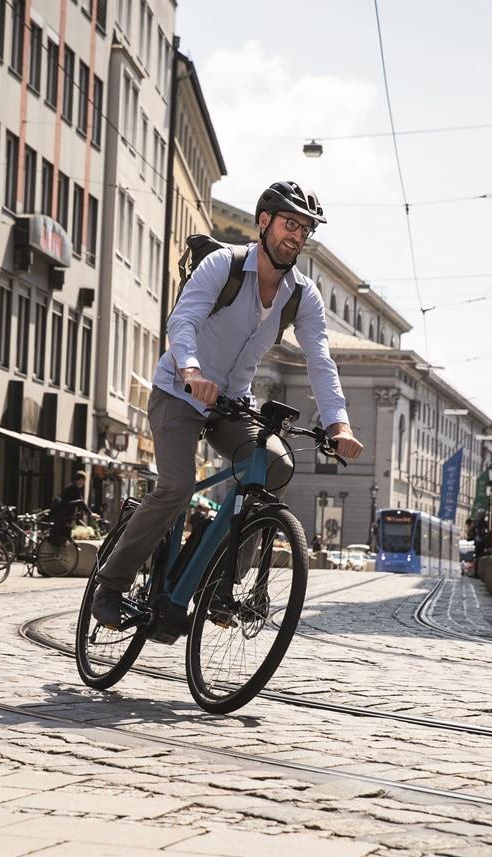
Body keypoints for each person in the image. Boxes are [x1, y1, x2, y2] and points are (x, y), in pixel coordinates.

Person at [91, 180, 364, 625]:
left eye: (305, 229)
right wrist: (192, 371)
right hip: (179, 392)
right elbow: (183, 319)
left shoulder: (302, 296)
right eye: (288, 223)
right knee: (177, 487)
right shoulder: (225, 264)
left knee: (274, 466)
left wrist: (340, 425)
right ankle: (112, 585)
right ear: (264, 222)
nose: (295, 234)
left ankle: (217, 582)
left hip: (233, 405)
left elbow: (320, 362)